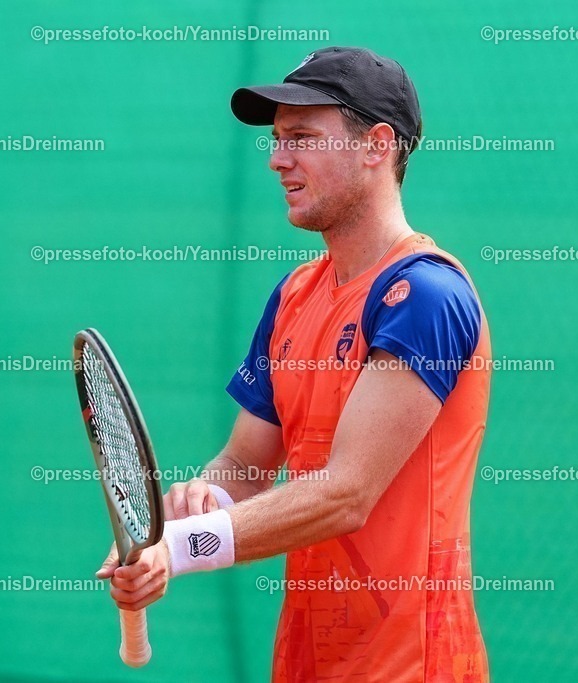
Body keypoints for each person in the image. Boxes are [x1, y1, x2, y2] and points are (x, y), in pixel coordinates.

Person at [98, 46, 492, 682]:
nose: (279, 159)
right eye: (277, 141)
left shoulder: (425, 295)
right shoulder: (293, 297)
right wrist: (182, 514)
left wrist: (181, 550)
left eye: (303, 137)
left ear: (377, 146)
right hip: (307, 662)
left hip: (414, 668)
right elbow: (246, 464)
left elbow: (346, 494)